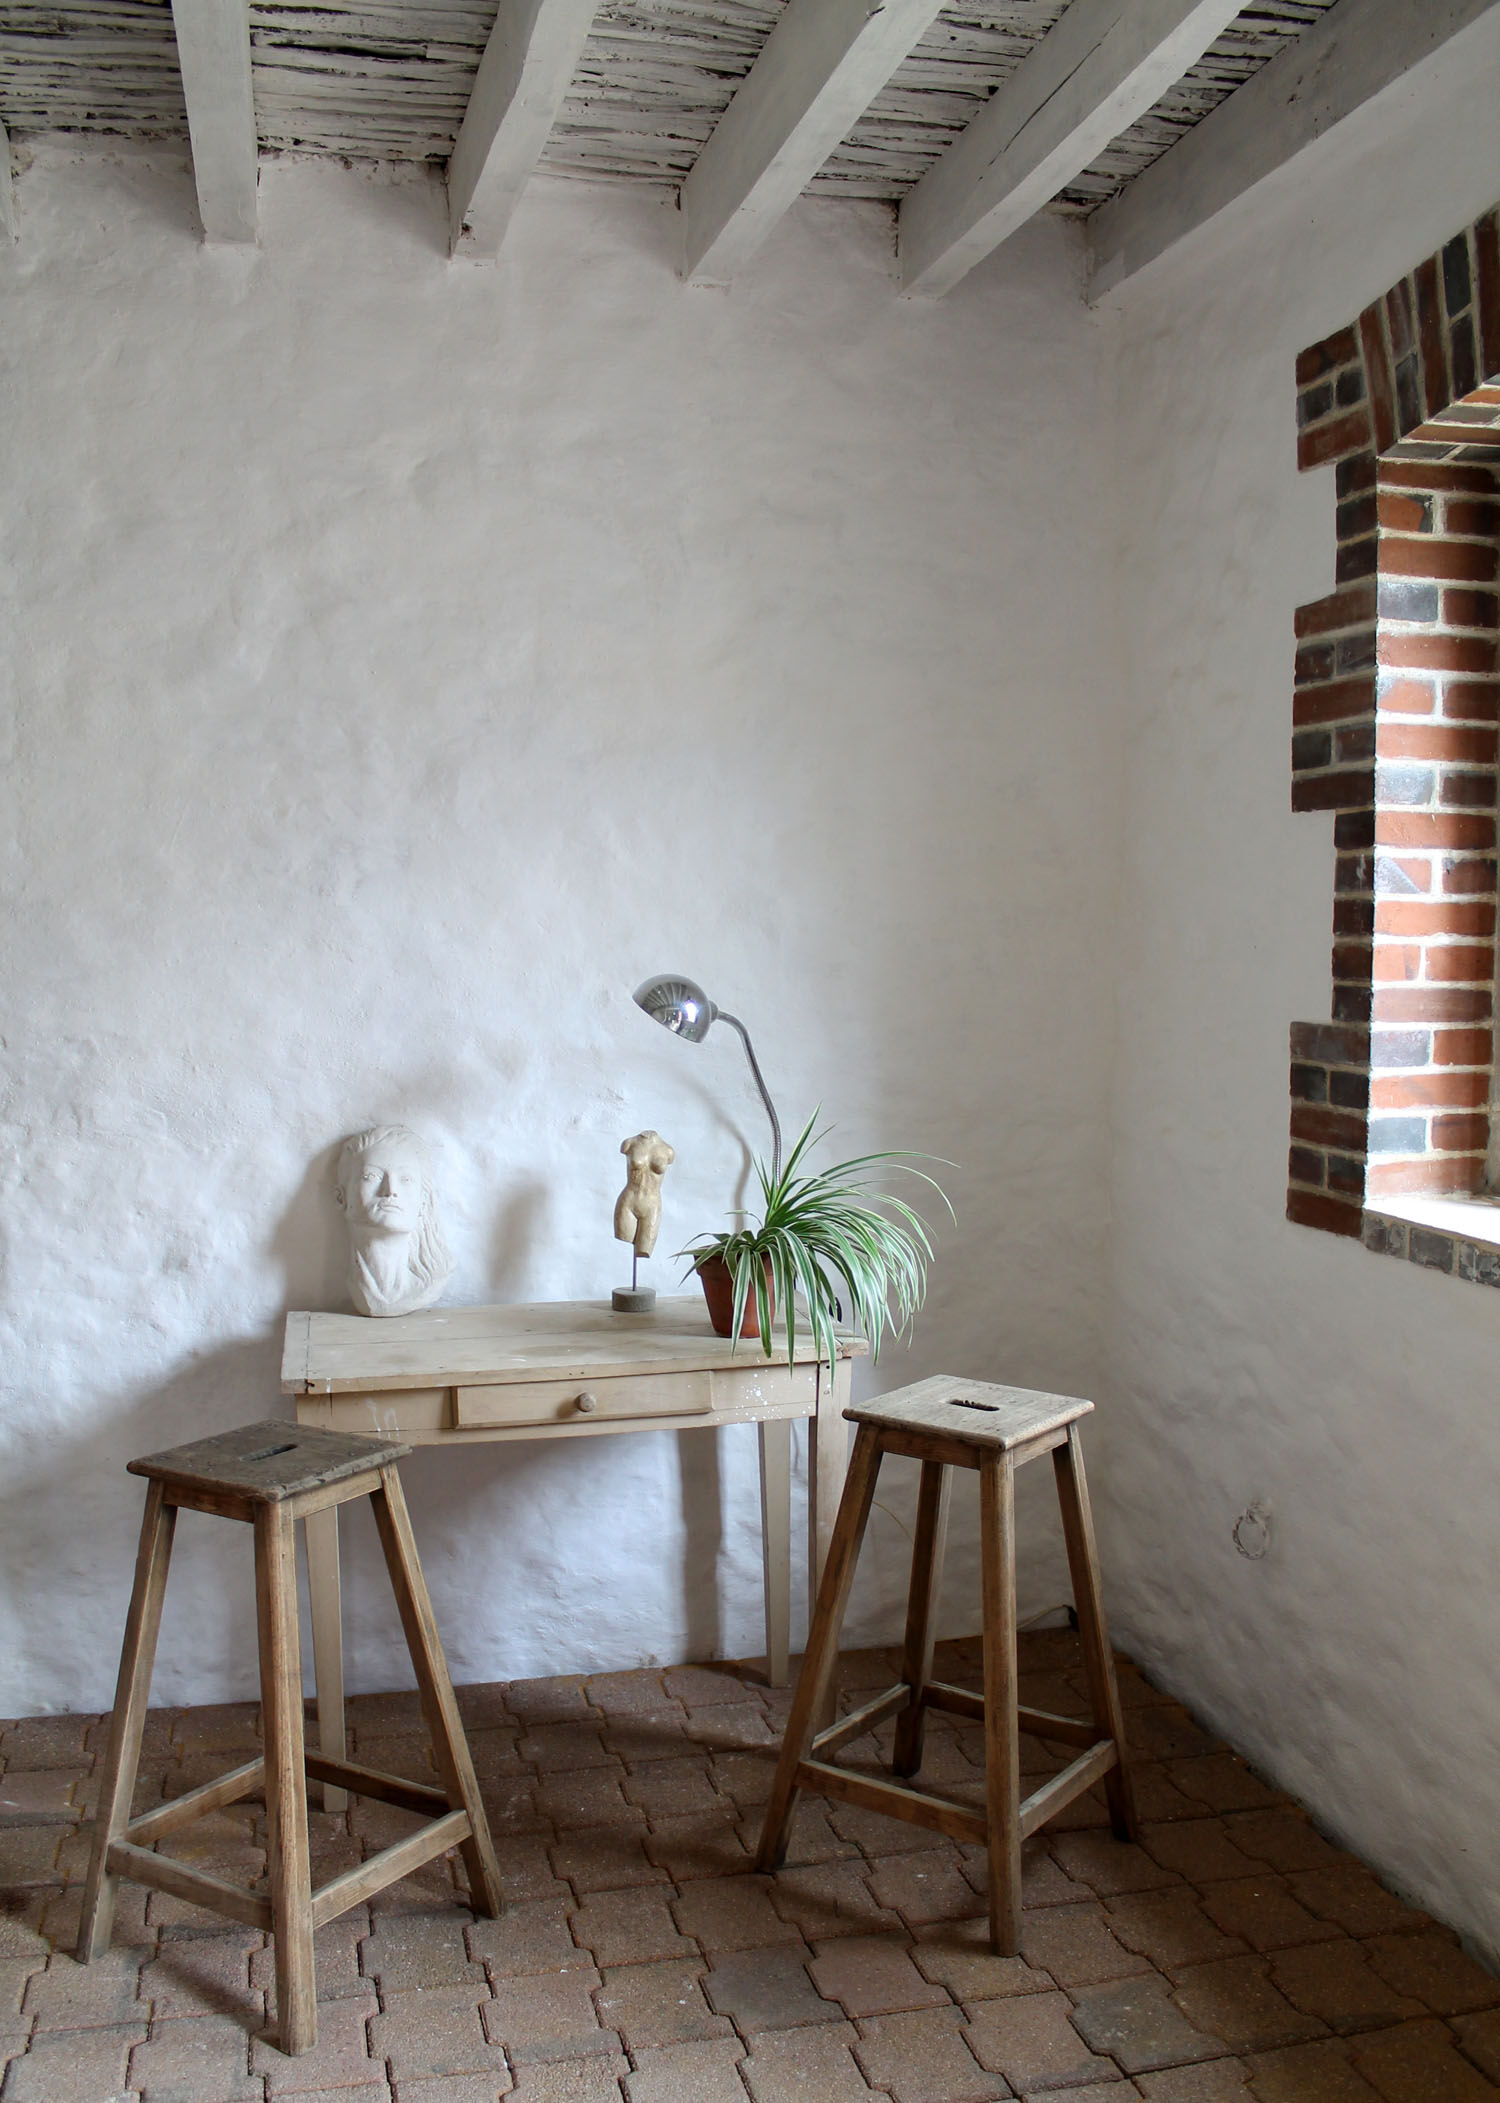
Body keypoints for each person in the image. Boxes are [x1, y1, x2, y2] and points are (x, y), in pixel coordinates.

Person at [335, 1124, 453, 1317]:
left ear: (423, 1202)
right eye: (371, 1176)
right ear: (341, 1198)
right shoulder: (358, 1287)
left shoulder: (429, 1284)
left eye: (406, 1179)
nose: (390, 1190)